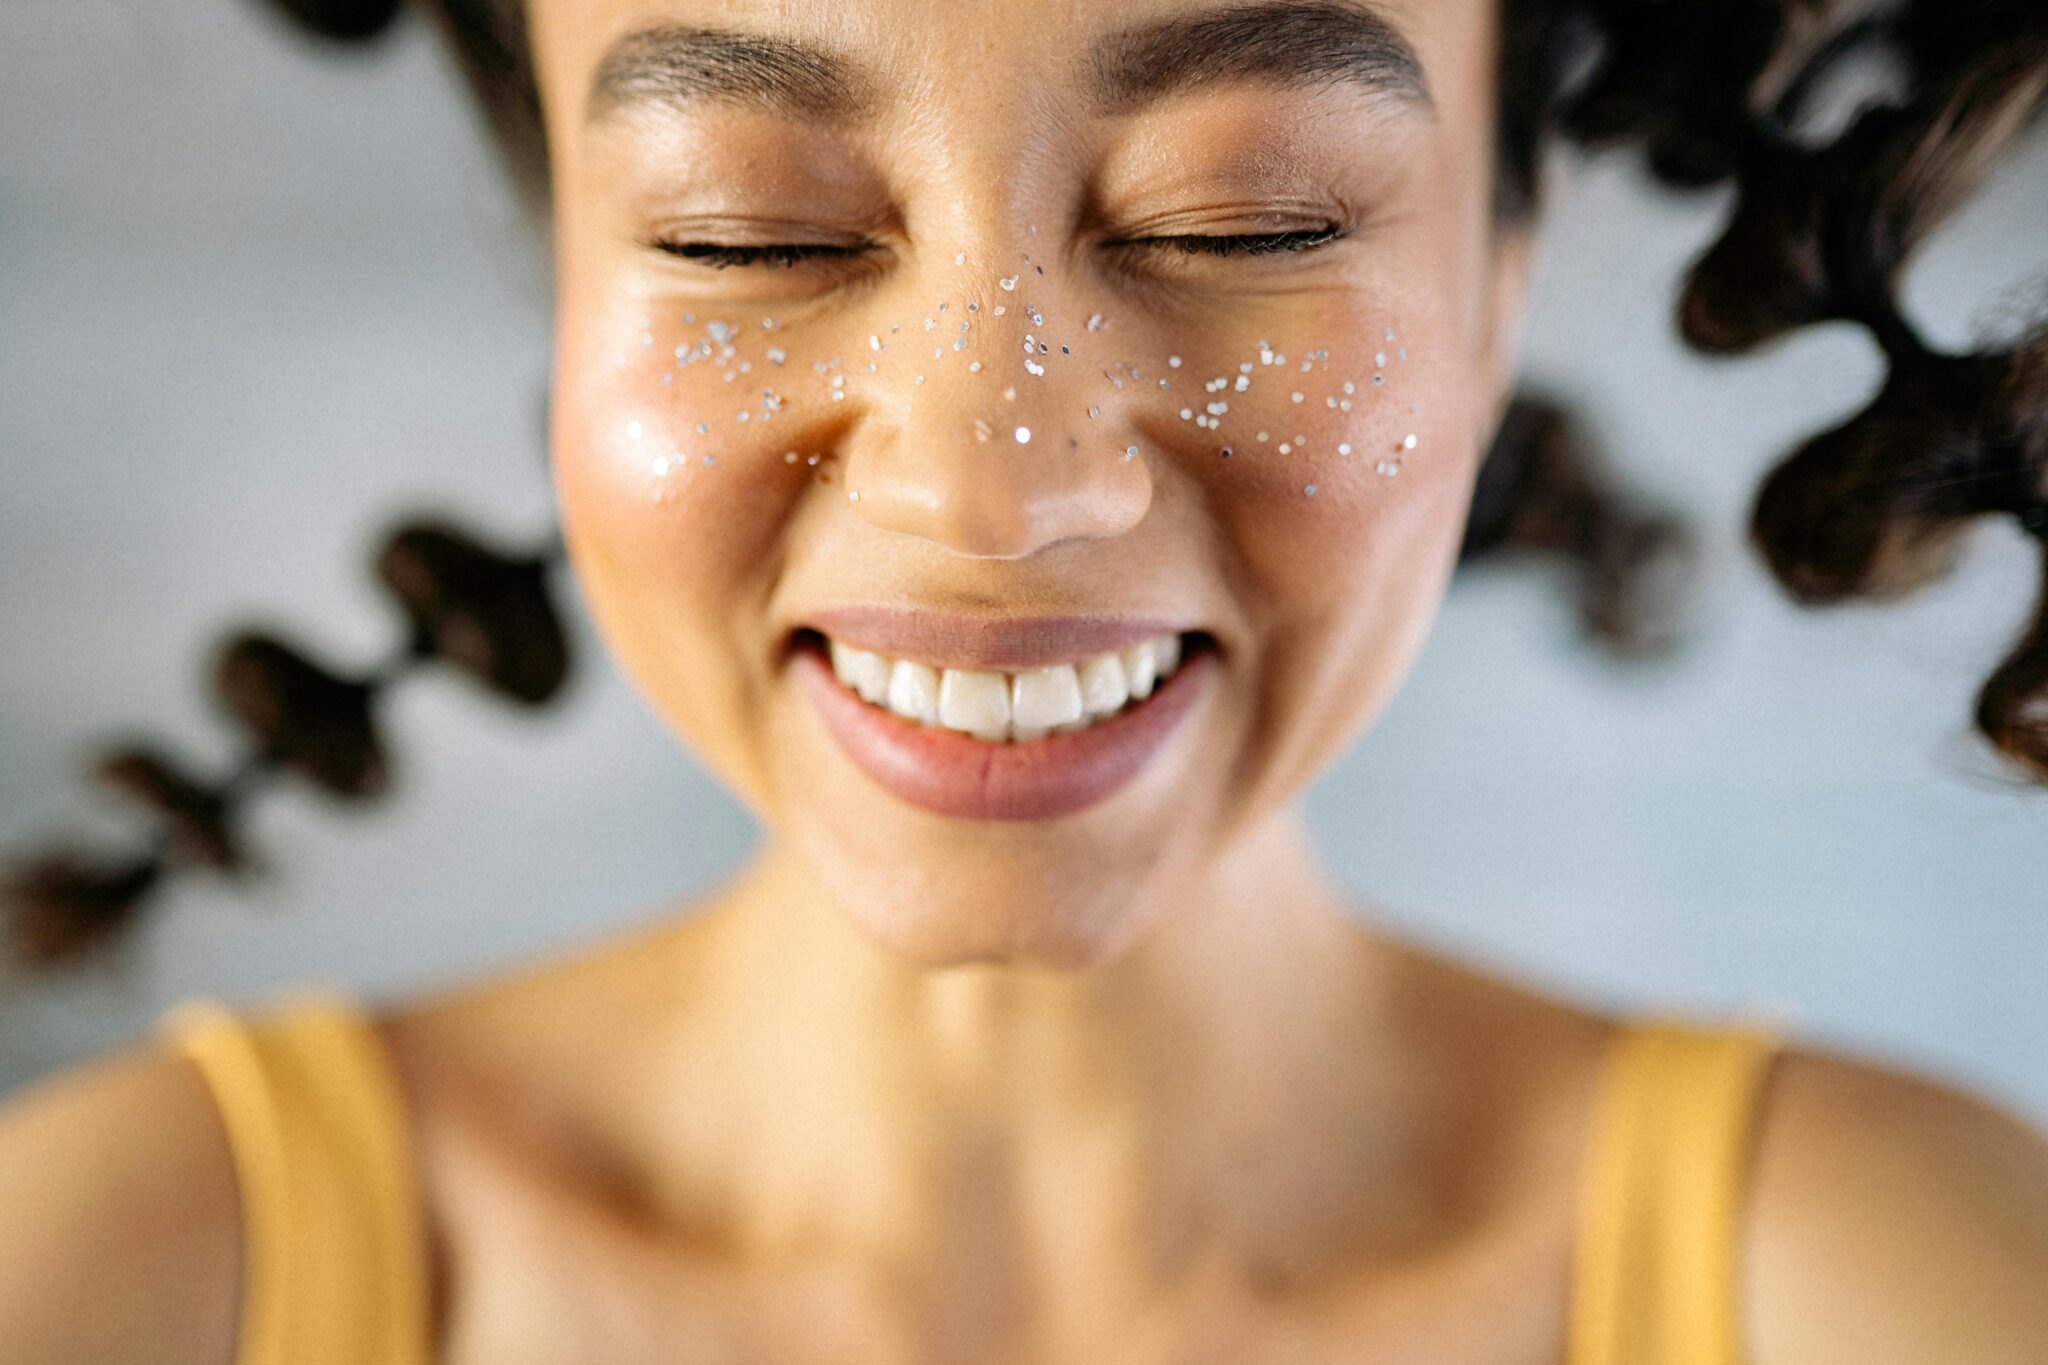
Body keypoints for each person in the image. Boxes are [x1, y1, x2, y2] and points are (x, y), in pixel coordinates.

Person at [3, 0, 2047, 1360]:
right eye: (744, 235)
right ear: (571, 288)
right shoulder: (121, 1272)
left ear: (1502, 272)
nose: (991, 483)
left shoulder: (1894, 1283)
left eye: (1244, 214)